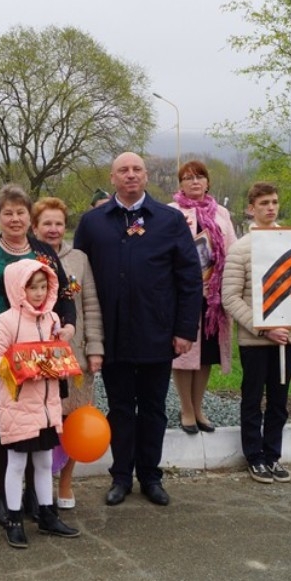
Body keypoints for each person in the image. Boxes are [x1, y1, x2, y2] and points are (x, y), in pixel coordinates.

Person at [73, 152, 202, 507]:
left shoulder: (169, 220)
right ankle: (120, 477)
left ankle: (150, 476)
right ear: (112, 178)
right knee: (119, 408)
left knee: (153, 408)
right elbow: (77, 281)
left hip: (156, 333)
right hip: (111, 335)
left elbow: (189, 279)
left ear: (146, 176)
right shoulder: (93, 222)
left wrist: (185, 329)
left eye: (136, 170)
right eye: (123, 170)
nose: (130, 175)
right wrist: (86, 336)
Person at [0, 184, 76, 526]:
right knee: (3, 426)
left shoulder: (44, 254)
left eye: (20, 212)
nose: (14, 219)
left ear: (30, 216)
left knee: (38, 423)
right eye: (7, 213)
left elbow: (64, 295)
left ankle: (33, 496)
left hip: (41, 356)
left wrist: (67, 328)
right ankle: (1, 494)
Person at [0, 259, 81, 547]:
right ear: (17, 288)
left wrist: (61, 346)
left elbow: (54, 356)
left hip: (47, 410)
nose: (38, 293)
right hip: (19, 408)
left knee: (45, 460)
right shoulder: (7, 320)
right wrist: (21, 366)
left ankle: (47, 515)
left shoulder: (51, 319)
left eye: (42, 287)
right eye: (31, 287)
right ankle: (14, 520)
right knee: (15, 463)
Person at [222, 181, 291, 484]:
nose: (270, 208)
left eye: (274, 202)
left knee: (279, 400)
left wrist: (290, 327)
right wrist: (263, 328)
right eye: (264, 203)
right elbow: (230, 297)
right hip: (255, 340)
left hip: (287, 337)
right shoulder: (241, 249)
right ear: (251, 208)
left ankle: (273, 455)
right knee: (253, 398)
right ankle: (254, 457)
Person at [31, 196, 104, 509]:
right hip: (37, 355)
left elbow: (90, 305)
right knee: (42, 423)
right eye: (46, 223)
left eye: (58, 223)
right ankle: (37, 485)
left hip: (74, 355)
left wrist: (95, 348)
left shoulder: (80, 259)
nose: (53, 229)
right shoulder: (28, 257)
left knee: (73, 421)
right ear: (35, 227)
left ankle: (65, 483)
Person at [168, 160, 238, 434]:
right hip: (183, 293)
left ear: (208, 182)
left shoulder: (221, 213)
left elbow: (231, 249)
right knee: (184, 352)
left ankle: (199, 407)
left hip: (214, 298)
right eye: (188, 178)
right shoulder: (172, 212)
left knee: (207, 354)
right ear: (181, 184)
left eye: (200, 177)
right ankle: (185, 408)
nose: (194, 182)